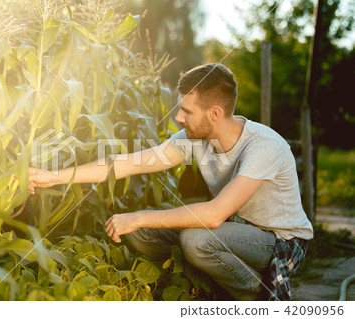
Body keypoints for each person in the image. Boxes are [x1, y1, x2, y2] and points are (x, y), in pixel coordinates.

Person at [28, 63, 313, 301]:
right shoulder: (195, 139)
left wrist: (141, 216)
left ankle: (258, 297)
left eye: (187, 111)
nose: (178, 117)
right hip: (235, 228)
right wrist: (53, 177)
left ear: (214, 113)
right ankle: (209, 279)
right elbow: (127, 163)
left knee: (195, 239)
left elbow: (214, 216)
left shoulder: (263, 146)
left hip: (278, 240)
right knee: (137, 233)